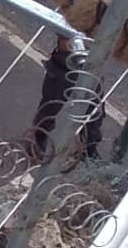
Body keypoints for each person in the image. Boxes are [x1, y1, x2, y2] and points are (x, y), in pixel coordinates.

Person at [30, 35, 106, 165]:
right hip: (64, 65)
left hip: (92, 63)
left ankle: (89, 148)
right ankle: (40, 139)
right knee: (51, 107)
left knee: (94, 111)